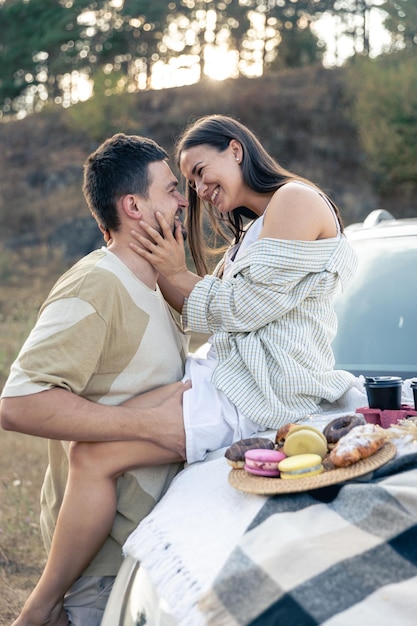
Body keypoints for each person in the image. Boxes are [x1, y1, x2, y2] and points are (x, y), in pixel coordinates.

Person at [2, 115, 359, 626]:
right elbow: (211, 309)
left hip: (258, 392)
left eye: (197, 170)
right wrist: (163, 268)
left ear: (236, 149)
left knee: (92, 458)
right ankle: (48, 599)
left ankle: (40, 606)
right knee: (89, 452)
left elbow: (238, 309)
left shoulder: (295, 201)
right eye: (182, 182)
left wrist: (172, 270)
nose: (194, 191)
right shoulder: (252, 232)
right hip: (233, 380)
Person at [0, 133, 191, 626]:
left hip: (142, 544)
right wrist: (149, 427)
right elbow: (20, 402)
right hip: (102, 563)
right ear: (133, 206)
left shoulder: (151, 283)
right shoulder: (97, 284)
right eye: (171, 190)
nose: (183, 199)